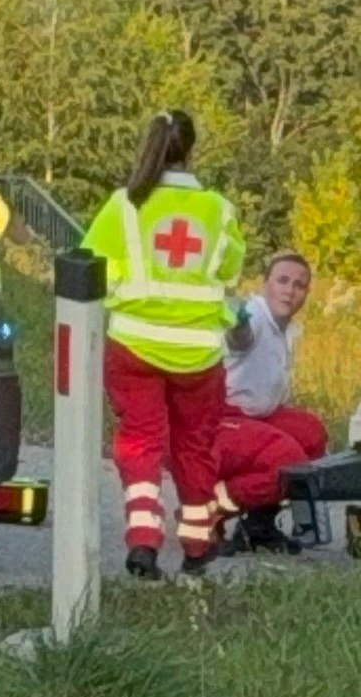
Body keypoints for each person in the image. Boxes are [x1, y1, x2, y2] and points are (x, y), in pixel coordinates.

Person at [81, 111, 246, 580]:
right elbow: (229, 271)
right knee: (195, 445)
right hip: (199, 353)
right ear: (192, 150)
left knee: (140, 443)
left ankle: (143, 541)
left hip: (133, 345)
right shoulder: (218, 209)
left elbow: (91, 265)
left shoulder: (123, 205)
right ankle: (197, 544)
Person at [213, 252, 329, 547]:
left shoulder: (285, 328)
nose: (290, 290)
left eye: (299, 285)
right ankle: (209, 507)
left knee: (311, 434)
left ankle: (258, 525)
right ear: (265, 285)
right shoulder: (255, 316)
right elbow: (241, 339)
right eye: (282, 280)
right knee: (289, 460)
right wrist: (236, 322)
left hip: (255, 417)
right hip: (219, 422)